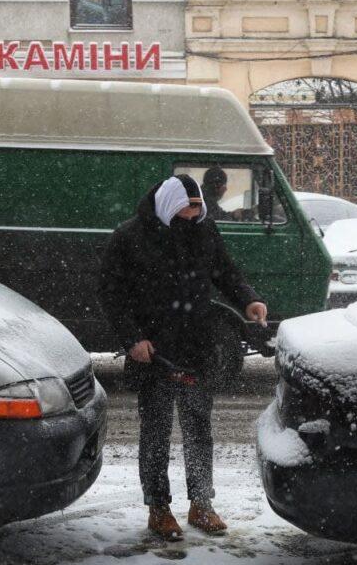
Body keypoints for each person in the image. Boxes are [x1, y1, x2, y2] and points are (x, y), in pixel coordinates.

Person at [98, 174, 269, 540]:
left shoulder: (204, 230)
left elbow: (226, 271)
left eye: (198, 208)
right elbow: (112, 294)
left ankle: (201, 504)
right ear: (168, 205)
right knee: (156, 432)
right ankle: (158, 508)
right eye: (187, 209)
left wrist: (249, 299)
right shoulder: (129, 237)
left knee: (198, 428)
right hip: (154, 351)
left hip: (196, 346)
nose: (194, 216)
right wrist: (133, 339)